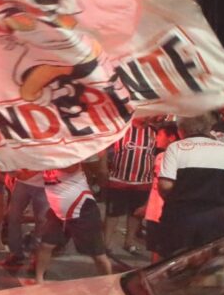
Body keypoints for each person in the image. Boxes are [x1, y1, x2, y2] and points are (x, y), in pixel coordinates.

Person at [156, 114, 224, 258]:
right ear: (208, 128)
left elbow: (165, 185)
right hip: (213, 218)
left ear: (181, 129)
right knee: (207, 261)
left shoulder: (175, 148)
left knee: (173, 261)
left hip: (179, 216)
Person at [34, 158, 113, 283]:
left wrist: (45, 159)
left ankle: (109, 284)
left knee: (98, 254)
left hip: (82, 209)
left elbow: (70, 167)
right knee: (46, 245)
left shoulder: (68, 158)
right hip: (57, 211)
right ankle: (38, 280)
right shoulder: (46, 158)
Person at [104, 118, 157, 255]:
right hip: (119, 179)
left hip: (143, 181)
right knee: (113, 213)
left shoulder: (154, 131)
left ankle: (129, 242)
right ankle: (105, 244)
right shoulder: (122, 128)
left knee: (136, 213)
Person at [143, 123, 180, 261]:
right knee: (155, 248)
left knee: (162, 248)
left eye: (159, 135)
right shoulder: (160, 156)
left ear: (171, 137)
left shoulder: (172, 157)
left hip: (164, 212)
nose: (156, 138)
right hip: (154, 211)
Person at [1, 170, 49, 267]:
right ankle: (16, 253)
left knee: (41, 221)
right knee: (13, 217)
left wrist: (27, 173)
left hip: (44, 185)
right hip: (22, 182)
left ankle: (37, 257)